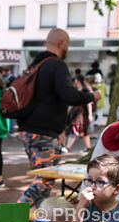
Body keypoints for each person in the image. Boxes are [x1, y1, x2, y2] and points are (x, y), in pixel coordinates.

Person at [16, 28, 101, 206]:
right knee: (44, 180)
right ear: (61, 43)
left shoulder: (35, 65)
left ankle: (41, 219)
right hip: (43, 133)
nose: (67, 48)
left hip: (28, 130)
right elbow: (69, 95)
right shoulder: (57, 65)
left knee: (44, 179)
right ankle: (13, 214)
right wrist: (92, 96)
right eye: (67, 44)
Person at [64, 75, 94, 153]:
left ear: (77, 81)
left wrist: (90, 114)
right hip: (77, 113)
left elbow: (88, 103)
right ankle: (88, 147)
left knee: (75, 128)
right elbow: (72, 103)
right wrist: (67, 111)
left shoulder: (84, 91)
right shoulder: (77, 90)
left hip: (81, 113)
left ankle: (67, 147)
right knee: (84, 130)